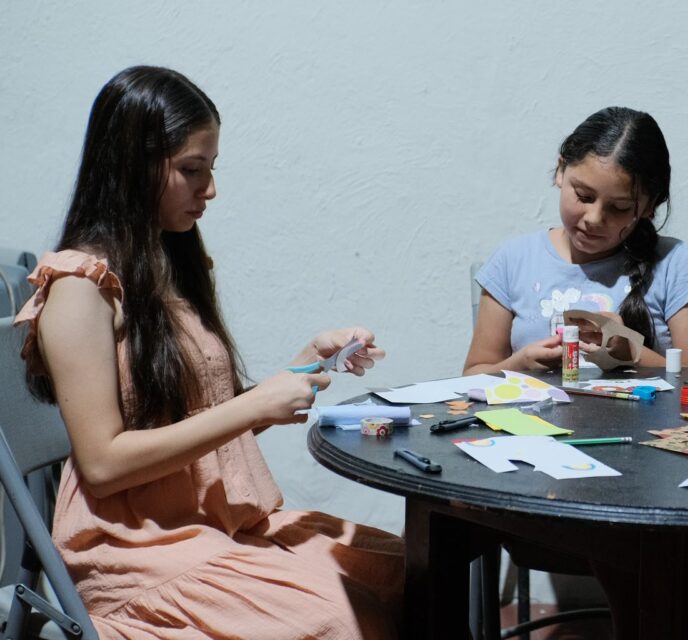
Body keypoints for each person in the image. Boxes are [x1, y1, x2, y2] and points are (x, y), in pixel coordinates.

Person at [15, 66, 403, 639]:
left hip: (207, 523)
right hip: (134, 549)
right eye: (192, 170)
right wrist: (255, 407)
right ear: (134, 166)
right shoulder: (79, 288)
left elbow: (195, 424)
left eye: (211, 169)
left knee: (397, 565)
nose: (210, 189)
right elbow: (102, 464)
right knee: (339, 616)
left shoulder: (167, 260)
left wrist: (302, 366)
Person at [463, 106, 688, 375]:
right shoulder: (513, 260)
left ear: (649, 206)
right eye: (584, 196)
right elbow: (473, 375)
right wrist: (521, 363)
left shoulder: (676, 265)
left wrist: (631, 352)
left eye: (619, 207)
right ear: (561, 171)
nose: (595, 218)